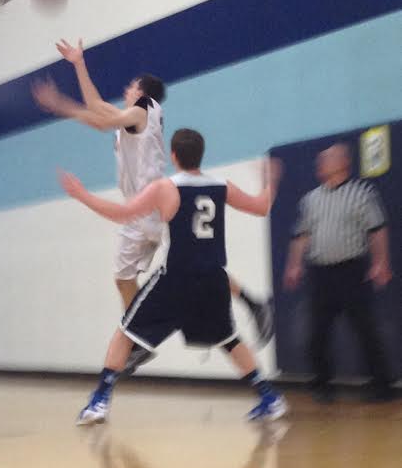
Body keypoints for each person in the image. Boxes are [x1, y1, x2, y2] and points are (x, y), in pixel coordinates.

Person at [33, 38, 274, 348]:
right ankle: (138, 340)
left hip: (158, 206)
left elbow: (104, 119)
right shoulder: (131, 118)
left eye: (132, 86)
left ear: (142, 92)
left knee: (196, 270)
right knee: (123, 278)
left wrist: (61, 105)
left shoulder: (145, 108)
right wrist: (79, 64)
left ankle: (254, 305)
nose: (127, 89)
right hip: (138, 213)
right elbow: (97, 112)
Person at [59, 128, 288, 424]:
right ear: (200, 154)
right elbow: (261, 207)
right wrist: (271, 180)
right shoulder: (222, 186)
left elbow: (122, 213)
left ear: (174, 155)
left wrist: (83, 196)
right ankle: (269, 398)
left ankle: (99, 401)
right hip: (214, 279)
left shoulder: (165, 187)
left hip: (177, 278)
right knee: (229, 339)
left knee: (125, 332)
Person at [284, 143, 394, 402]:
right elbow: (301, 235)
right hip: (320, 274)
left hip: (351, 271)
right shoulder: (310, 199)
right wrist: (294, 265)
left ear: (343, 162)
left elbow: (377, 229)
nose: (319, 164)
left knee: (365, 330)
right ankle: (322, 386)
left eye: (326, 159)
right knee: (317, 332)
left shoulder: (362, 193)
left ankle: (382, 386)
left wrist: (381, 262)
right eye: (319, 160)